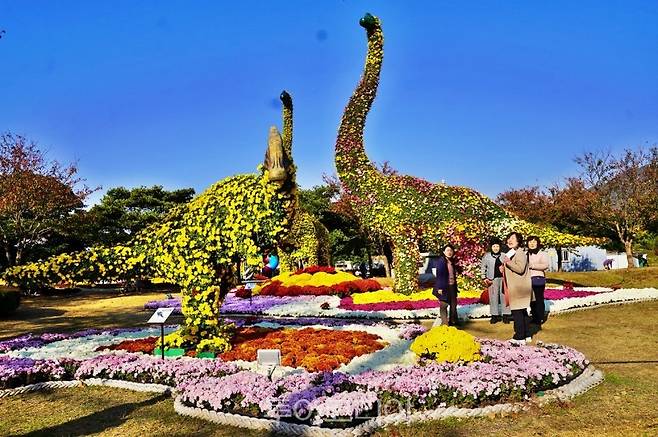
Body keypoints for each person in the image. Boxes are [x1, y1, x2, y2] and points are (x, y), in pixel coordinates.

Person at [502, 232, 532, 344]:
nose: (510, 240)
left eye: (513, 238)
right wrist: (504, 267)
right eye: (509, 238)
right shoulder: (512, 252)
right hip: (518, 286)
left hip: (519, 287)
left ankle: (519, 337)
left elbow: (520, 268)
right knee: (522, 311)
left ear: (519, 241)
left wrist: (508, 263)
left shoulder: (520, 253)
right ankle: (526, 334)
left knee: (517, 312)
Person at [480, 239, 511, 324]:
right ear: (491, 247)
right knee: (493, 297)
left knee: (504, 297)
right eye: (494, 246)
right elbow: (483, 267)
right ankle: (494, 316)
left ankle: (506, 315)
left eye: (497, 246)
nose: (496, 248)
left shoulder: (504, 256)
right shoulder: (487, 256)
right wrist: (484, 277)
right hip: (492, 279)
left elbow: (510, 266)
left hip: (503, 279)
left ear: (500, 247)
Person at [431, 244, 461, 326]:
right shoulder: (441, 261)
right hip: (444, 287)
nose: (449, 252)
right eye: (447, 250)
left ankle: (453, 321)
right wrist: (440, 288)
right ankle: (445, 324)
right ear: (444, 252)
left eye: (451, 250)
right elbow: (439, 275)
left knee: (453, 305)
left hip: (452, 286)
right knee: (444, 305)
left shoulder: (451, 261)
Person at [527, 236, 549, 326]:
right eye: (530, 242)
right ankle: (534, 317)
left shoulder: (542, 254)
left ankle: (540, 317)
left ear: (538, 243)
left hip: (538, 279)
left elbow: (545, 265)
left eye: (534, 242)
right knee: (531, 300)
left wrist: (532, 265)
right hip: (527, 279)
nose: (532, 244)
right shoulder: (525, 254)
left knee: (539, 299)